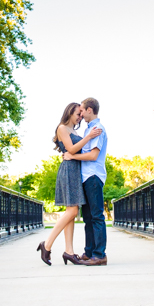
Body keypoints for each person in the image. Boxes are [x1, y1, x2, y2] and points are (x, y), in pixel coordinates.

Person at [37, 102, 103, 266]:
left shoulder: (73, 130)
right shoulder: (62, 128)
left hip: (76, 170)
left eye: (81, 114)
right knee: (72, 211)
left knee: (71, 212)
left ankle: (69, 251)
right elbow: (71, 150)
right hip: (68, 170)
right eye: (77, 114)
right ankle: (47, 244)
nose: (80, 117)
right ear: (69, 113)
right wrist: (88, 137)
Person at [63, 97, 108, 266]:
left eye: (82, 110)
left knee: (96, 216)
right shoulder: (89, 130)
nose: (80, 114)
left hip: (94, 176)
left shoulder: (97, 129)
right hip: (86, 177)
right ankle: (89, 252)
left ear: (90, 110)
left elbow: (93, 155)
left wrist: (72, 156)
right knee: (88, 217)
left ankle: (99, 255)